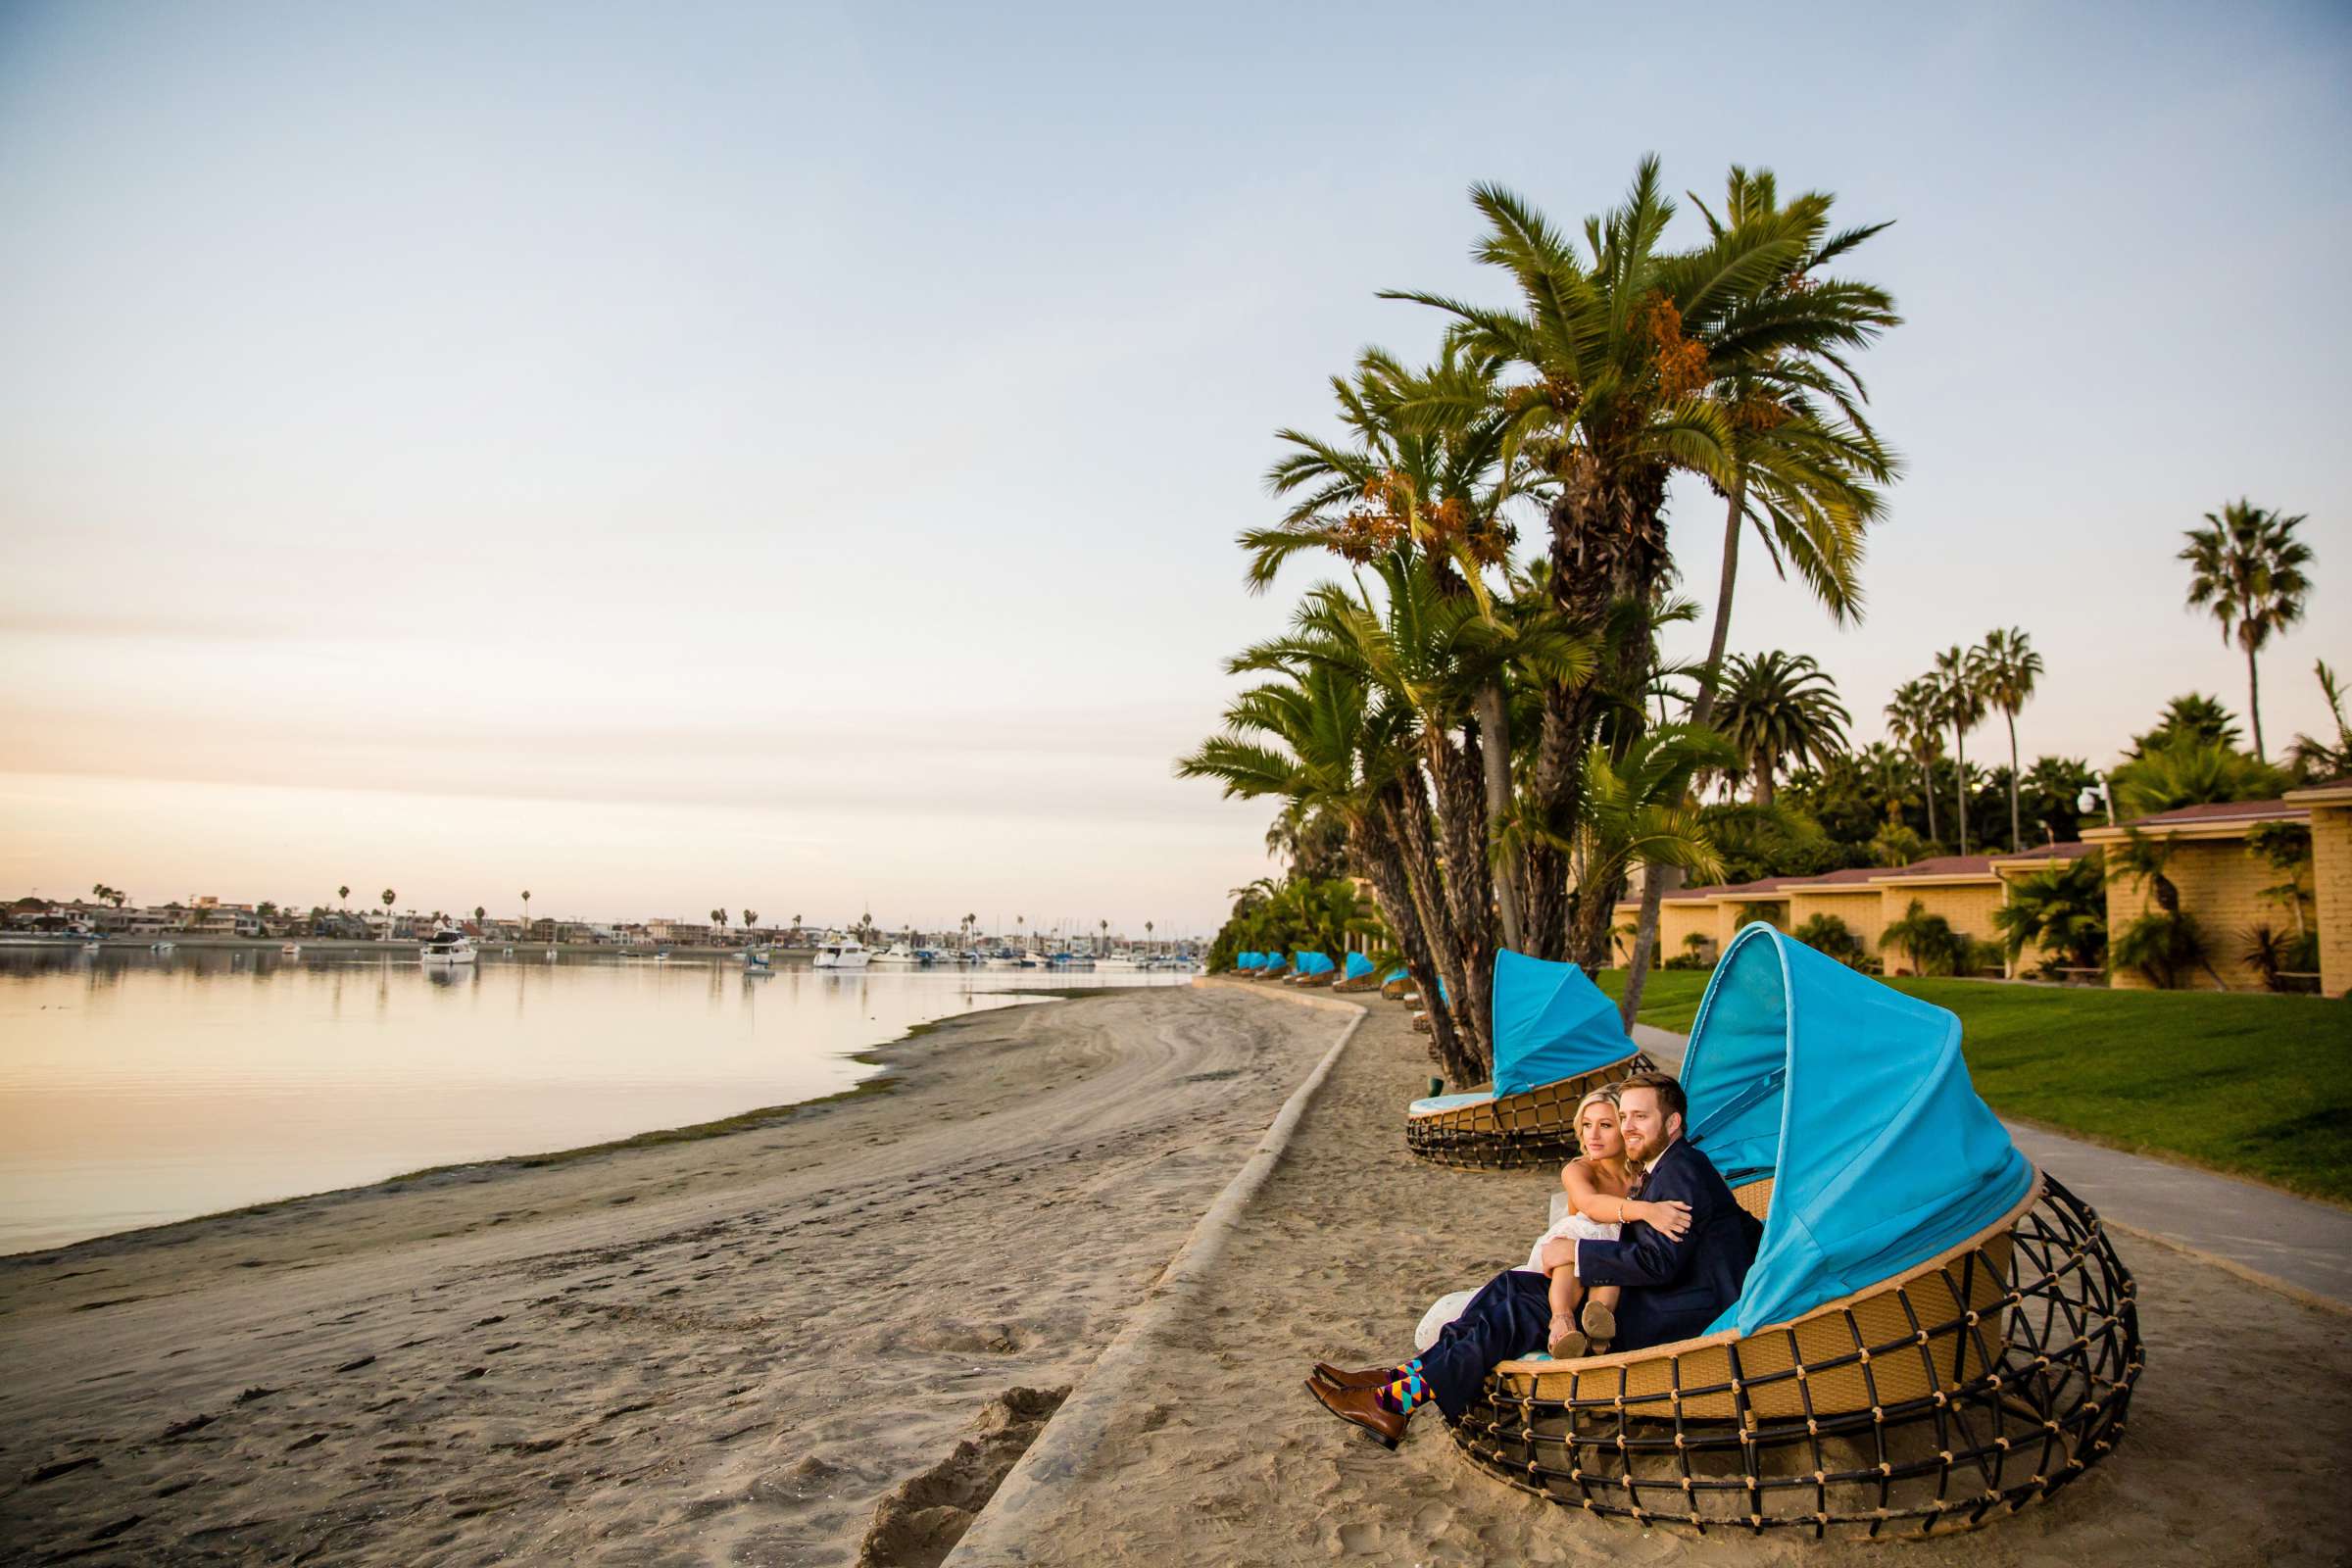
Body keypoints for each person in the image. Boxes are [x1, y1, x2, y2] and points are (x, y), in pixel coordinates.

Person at [1304, 1071, 1758, 1449]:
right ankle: (1394, 1380)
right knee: (1511, 1286)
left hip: (1680, 1310)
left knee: (1521, 1309)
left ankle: (1393, 1403)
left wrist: (1578, 1254)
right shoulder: (1666, 1165)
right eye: (1625, 1117)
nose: (1629, 1126)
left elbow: (1662, 1264)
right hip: (1668, 1293)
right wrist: (1580, 1255)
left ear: (1673, 1122)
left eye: (1640, 1116)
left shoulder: (1681, 1168)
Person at [1523, 1088, 1691, 1359]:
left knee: (1612, 1265)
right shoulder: (1579, 1169)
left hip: (1616, 1253)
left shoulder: (1645, 1170)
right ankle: (1561, 1321)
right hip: (1578, 1248)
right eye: (1587, 1125)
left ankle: (1598, 1330)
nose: (1593, 1135)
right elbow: (1590, 1204)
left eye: (1606, 1125)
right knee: (1576, 1247)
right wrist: (1646, 1210)